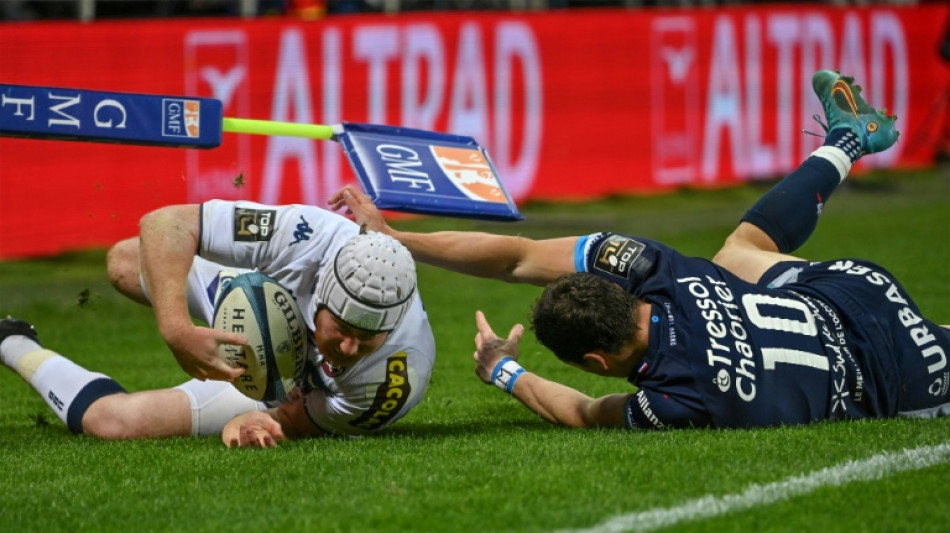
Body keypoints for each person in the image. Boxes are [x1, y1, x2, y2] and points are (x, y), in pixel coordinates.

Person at [330, 69, 949, 429]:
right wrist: (395, 236)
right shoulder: (652, 266)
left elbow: (584, 411)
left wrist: (503, 369)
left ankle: (848, 140)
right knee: (740, 251)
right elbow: (517, 256)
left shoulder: (673, 397)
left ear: (597, 360)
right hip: (851, 289)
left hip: (895, 372)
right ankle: (845, 142)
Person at [1, 201, 436, 447]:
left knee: (112, 423)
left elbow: (294, 419)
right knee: (124, 262)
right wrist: (176, 329)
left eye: (368, 339)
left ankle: (12, 340)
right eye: (341, 328)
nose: (348, 349)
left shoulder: (391, 383)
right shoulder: (310, 234)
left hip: (288, 385)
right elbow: (164, 222)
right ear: (320, 294)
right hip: (257, 301)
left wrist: (252, 421)